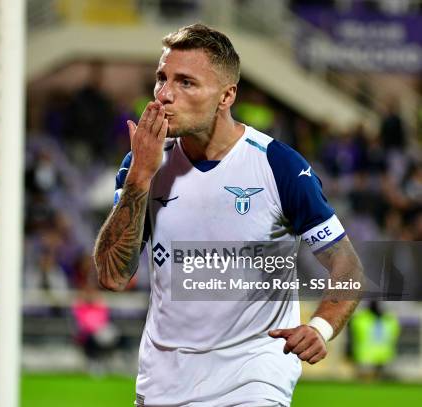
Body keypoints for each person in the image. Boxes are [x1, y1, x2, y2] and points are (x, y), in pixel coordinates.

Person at [93, 24, 364, 406]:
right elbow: (112, 275)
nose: (165, 95)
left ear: (226, 95)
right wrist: (139, 176)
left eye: (186, 82)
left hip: (254, 379)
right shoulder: (144, 164)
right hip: (163, 381)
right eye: (162, 78)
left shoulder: (276, 166)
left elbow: (348, 266)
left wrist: (320, 327)